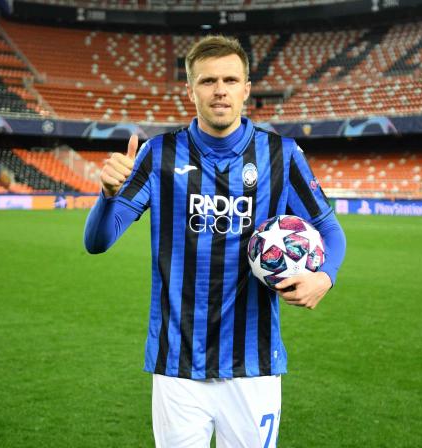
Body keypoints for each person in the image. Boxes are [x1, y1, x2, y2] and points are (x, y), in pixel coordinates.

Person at [83, 35, 346, 447]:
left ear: (246, 89)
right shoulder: (158, 154)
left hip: (254, 366)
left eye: (229, 79)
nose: (219, 90)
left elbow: (330, 229)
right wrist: (108, 195)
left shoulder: (281, 154)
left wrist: (325, 277)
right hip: (177, 364)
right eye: (207, 81)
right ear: (191, 91)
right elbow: (98, 241)